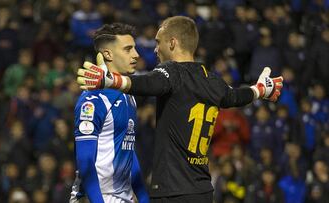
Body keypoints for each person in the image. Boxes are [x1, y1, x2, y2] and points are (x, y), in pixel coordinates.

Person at [76, 16, 283, 202]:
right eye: (129, 49)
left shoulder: (170, 73)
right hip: (202, 190)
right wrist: (260, 89)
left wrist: (111, 80)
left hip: (171, 190)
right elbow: (235, 96)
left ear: (172, 43)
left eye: (158, 43)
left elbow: (149, 83)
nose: (152, 50)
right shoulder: (211, 80)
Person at [70, 23, 149, 203]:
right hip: (95, 198)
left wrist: (144, 198)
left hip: (123, 198)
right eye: (128, 49)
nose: (136, 54)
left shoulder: (129, 97)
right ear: (108, 54)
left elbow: (127, 149)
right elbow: (85, 161)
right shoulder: (92, 99)